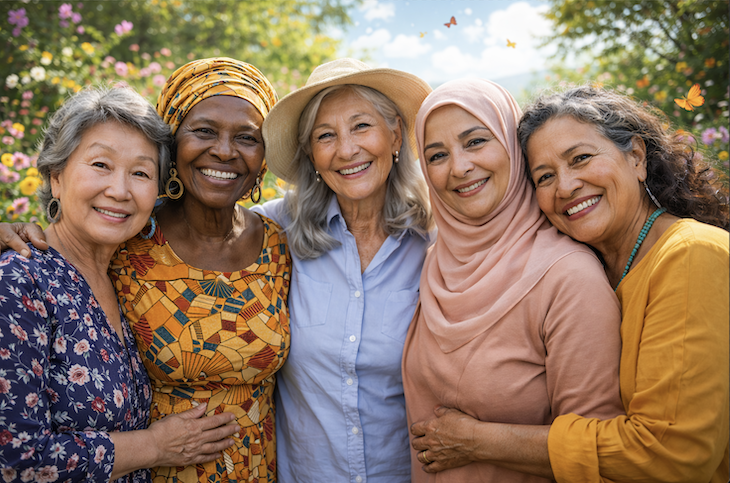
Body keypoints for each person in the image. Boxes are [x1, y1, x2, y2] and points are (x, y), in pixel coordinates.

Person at [0, 59, 290, 482]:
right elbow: (14, 454)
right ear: (55, 175)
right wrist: (154, 446)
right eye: (100, 165)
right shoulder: (106, 253)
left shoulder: (279, 244)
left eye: (139, 173)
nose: (119, 190)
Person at [404, 78, 625, 482]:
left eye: (475, 142)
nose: (459, 167)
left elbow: (597, 449)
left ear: (512, 146)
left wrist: (476, 440)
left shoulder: (567, 277)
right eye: (436, 155)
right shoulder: (435, 260)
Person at [517, 86, 728, 482]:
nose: (565, 187)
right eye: (544, 177)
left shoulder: (691, 254)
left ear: (635, 157)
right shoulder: (590, 274)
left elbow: (671, 453)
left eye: (580, 158)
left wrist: (480, 441)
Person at [254, 58, 433, 482]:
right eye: (325, 136)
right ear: (311, 154)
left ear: (395, 136)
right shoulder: (274, 229)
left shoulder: (436, 238)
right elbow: (201, 234)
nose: (346, 149)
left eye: (361, 126)